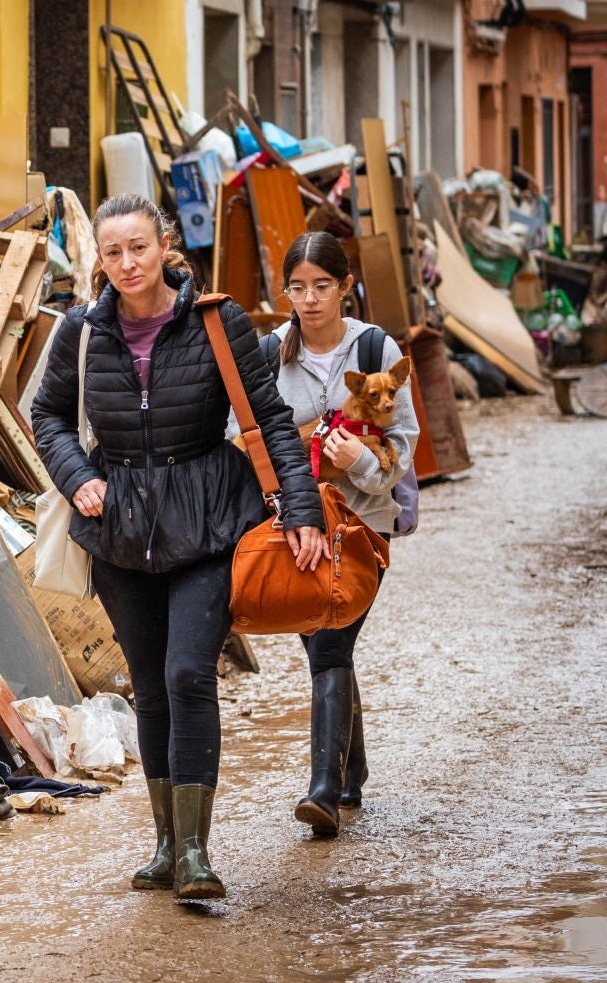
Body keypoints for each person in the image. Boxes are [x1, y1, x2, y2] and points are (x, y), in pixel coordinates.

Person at [31, 194, 325, 901]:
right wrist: (78, 479)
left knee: (189, 672)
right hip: (122, 533)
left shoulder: (218, 322)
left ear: (165, 244)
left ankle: (196, 853)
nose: (127, 264)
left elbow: (272, 422)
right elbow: (46, 414)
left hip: (209, 524)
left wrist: (302, 509)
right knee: (150, 684)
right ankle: (164, 845)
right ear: (98, 261)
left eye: (139, 247)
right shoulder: (80, 332)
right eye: (112, 253)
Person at [263, 231, 417, 837]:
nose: (309, 299)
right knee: (323, 643)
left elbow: (402, 449)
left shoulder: (377, 349)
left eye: (322, 286)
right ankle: (351, 765)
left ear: (345, 287)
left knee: (330, 640)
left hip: (362, 527)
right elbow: (243, 436)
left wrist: (357, 460)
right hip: (298, 525)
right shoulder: (271, 352)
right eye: (297, 288)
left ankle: (323, 791)